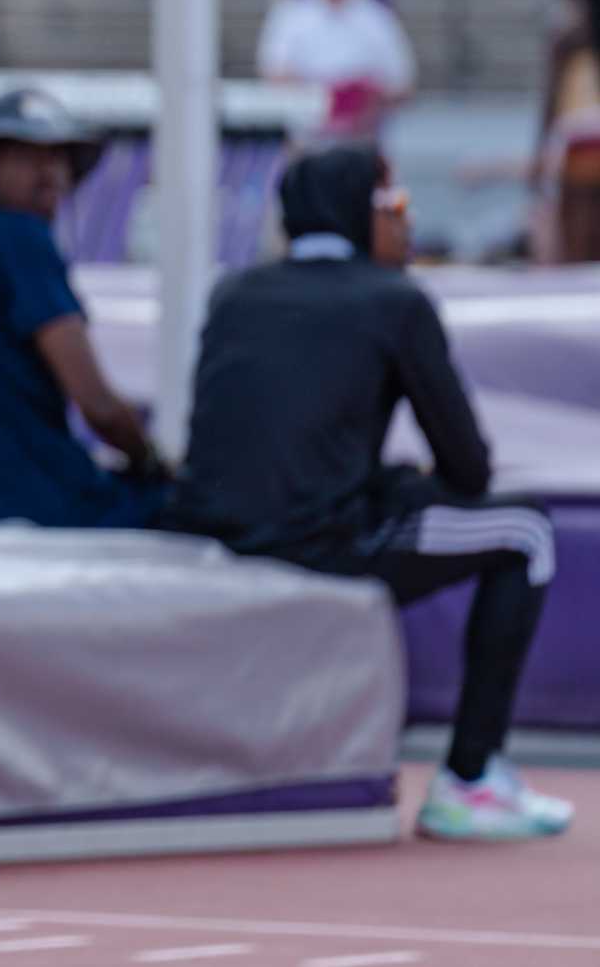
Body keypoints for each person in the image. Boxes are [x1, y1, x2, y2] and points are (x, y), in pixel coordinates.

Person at [164, 145, 571, 841]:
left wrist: (389, 484)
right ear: (362, 213)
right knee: (525, 532)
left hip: (215, 534)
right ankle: (470, 778)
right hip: (320, 543)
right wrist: (405, 490)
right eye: (399, 208)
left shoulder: (235, 292)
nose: (409, 227)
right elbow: (469, 468)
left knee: (403, 496)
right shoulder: (394, 300)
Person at [0, 90, 167, 528]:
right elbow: (99, 407)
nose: (50, 172)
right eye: (26, 156)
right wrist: (153, 459)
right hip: (19, 502)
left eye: (58, 157)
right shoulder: (19, 239)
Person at [257, 0, 416, 137]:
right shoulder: (290, 16)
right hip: (304, 135)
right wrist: (322, 94)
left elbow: (402, 86)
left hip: (361, 138)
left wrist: (362, 96)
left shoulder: (377, 19)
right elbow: (273, 75)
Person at [532, 0, 600, 263]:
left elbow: (552, 101)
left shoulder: (568, 38)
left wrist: (540, 151)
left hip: (579, 144)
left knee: (577, 229)